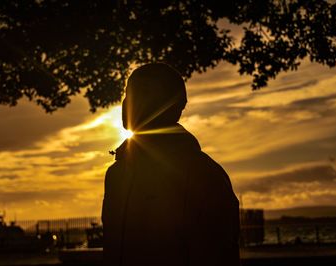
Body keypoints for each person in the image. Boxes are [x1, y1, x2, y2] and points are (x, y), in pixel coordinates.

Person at [102, 63, 239, 266]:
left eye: (144, 94)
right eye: (129, 94)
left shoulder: (203, 175)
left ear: (173, 105)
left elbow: (217, 253)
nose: (127, 103)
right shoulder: (116, 174)